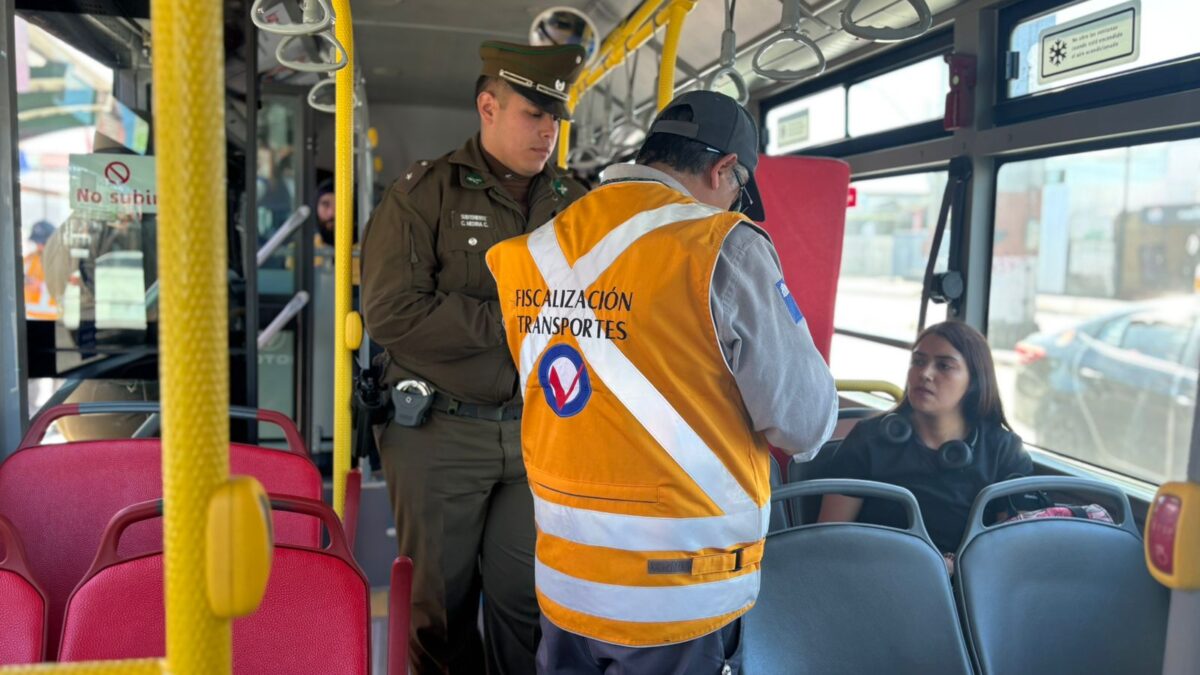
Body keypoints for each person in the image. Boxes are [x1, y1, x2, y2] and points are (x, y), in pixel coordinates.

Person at [486, 90, 838, 673]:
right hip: (678, 592)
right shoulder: (722, 245)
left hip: (564, 579)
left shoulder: (529, 254)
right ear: (725, 169)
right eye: (737, 191)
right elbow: (801, 422)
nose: (732, 205)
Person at [360, 40, 589, 675]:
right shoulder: (423, 195)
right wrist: (522, 318)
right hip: (439, 435)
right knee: (441, 611)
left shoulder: (577, 203)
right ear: (488, 106)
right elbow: (392, 311)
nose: (547, 131)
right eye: (531, 114)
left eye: (555, 119)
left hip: (538, 433)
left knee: (531, 604)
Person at [818, 321, 1034, 571]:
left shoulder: (1003, 450)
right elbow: (828, 538)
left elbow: (1011, 551)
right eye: (918, 361)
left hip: (965, 589)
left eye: (944, 365)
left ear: (974, 380)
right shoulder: (869, 439)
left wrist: (958, 568)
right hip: (877, 576)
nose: (925, 374)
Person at [24, 220, 58, 321]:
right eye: (37, 242)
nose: (39, 246)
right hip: (29, 317)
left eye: (43, 242)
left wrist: (40, 286)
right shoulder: (29, 258)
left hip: (51, 319)